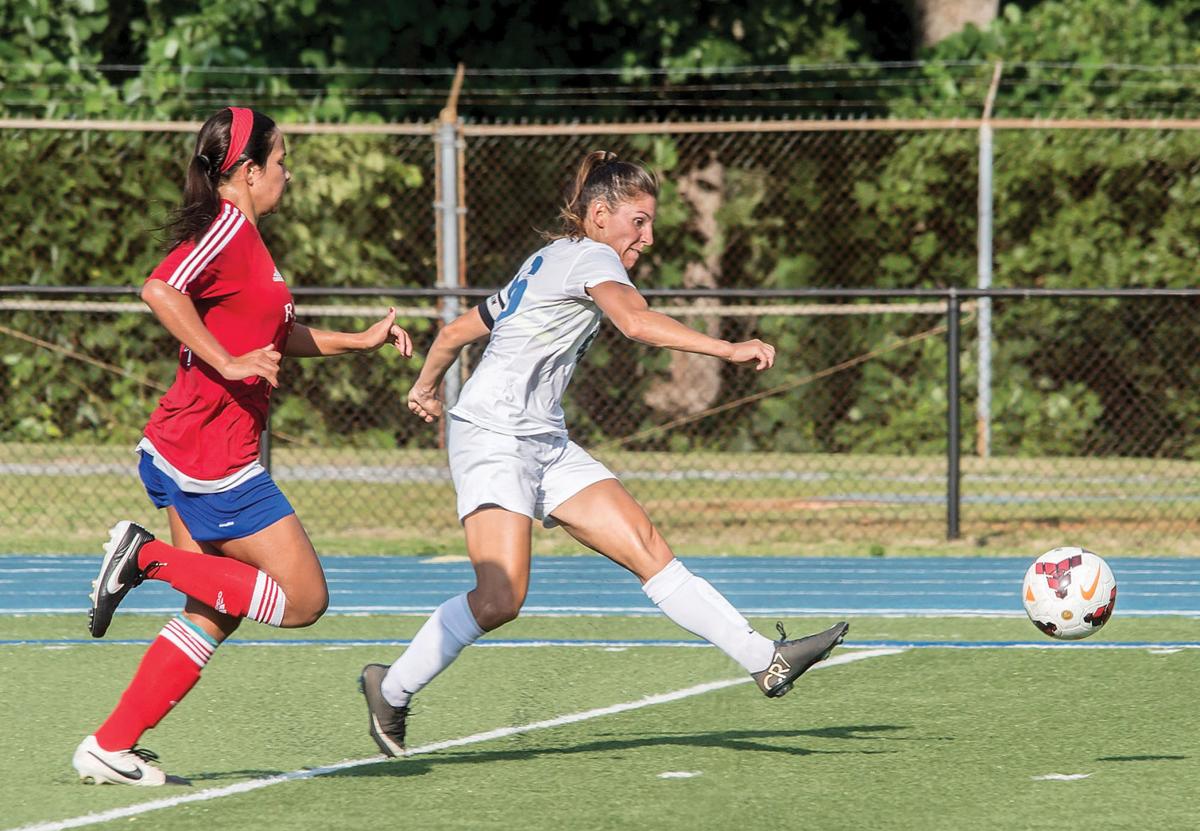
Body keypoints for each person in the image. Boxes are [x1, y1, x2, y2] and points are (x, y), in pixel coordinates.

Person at [358, 150, 848, 757]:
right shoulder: (590, 257)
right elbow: (636, 324)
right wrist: (728, 349)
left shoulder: (547, 260)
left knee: (647, 546)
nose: (648, 234)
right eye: (638, 221)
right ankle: (392, 687)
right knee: (499, 598)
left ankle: (764, 660)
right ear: (598, 215)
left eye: (650, 221)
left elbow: (458, 332)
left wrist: (426, 387)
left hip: (543, 438)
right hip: (493, 436)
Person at [72, 106, 413, 786]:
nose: (288, 172)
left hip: (197, 448)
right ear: (248, 172)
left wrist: (357, 341)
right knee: (303, 599)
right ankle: (145, 556)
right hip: (212, 455)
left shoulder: (249, 242)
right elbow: (159, 288)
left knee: (216, 611)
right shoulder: (226, 228)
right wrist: (226, 362)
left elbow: (274, 333)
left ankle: (109, 745)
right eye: (280, 161)